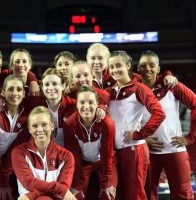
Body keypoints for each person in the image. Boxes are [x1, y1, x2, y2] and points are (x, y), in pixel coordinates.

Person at [106, 50, 165, 200]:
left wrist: (139, 134)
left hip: (134, 150)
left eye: (118, 65)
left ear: (128, 65)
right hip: (115, 151)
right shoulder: (109, 92)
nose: (115, 70)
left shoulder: (139, 88)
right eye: (111, 67)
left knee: (135, 196)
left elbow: (159, 113)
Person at [137, 50, 196, 200]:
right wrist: (142, 140)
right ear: (138, 68)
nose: (148, 68)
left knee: (183, 195)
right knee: (146, 195)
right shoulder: (133, 90)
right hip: (147, 152)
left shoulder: (171, 85)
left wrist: (191, 137)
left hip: (174, 150)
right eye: (143, 65)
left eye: (152, 65)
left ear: (158, 68)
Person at [11, 106, 76, 200]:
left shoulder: (67, 156)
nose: (40, 129)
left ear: (52, 126)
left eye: (44, 124)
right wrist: (59, 189)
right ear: (29, 129)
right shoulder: (19, 152)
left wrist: (31, 195)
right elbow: (29, 183)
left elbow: (61, 194)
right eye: (34, 126)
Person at [64, 86, 117, 200]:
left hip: (105, 162)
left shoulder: (107, 123)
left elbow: (107, 154)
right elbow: (75, 156)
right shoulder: (70, 124)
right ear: (76, 104)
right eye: (82, 102)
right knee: (76, 196)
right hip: (84, 163)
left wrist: (106, 182)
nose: (86, 106)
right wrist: (77, 184)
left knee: (108, 195)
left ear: (97, 104)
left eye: (91, 102)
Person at [86, 43, 177, 90]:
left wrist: (166, 74)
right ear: (87, 59)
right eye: (93, 58)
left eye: (100, 58)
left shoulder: (116, 74)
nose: (96, 62)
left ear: (107, 60)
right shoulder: (82, 78)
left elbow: (147, 78)